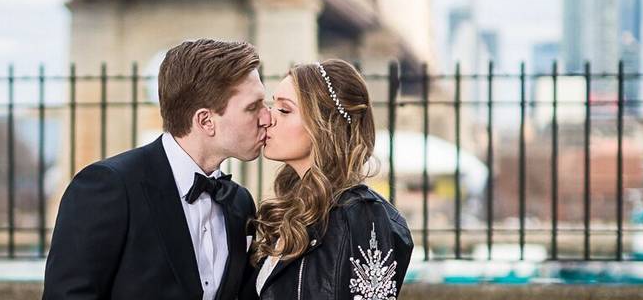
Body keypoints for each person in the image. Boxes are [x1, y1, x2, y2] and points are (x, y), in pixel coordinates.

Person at [43, 39, 272, 300]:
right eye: (253, 107)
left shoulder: (239, 202)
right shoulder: (108, 187)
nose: (267, 117)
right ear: (206, 120)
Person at [244, 59, 413, 300]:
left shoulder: (362, 215)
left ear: (324, 124)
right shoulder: (293, 210)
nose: (268, 118)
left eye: (284, 110)